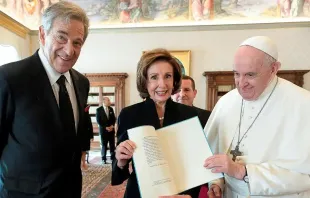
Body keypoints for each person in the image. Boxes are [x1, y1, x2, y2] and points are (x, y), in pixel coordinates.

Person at [0, 1, 90, 197]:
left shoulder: (82, 83)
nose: (69, 50)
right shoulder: (9, 78)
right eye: (61, 37)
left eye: (77, 42)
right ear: (42, 34)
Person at [203, 36, 310, 198]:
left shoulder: (303, 104)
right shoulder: (227, 102)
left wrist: (243, 171)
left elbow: (304, 176)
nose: (241, 83)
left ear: (274, 68)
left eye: (250, 75)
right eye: (236, 74)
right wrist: (217, 183)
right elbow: (212, 152)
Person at [111, 49, 200, 198]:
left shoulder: (190, 115)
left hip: (179, 194)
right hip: (139, 194)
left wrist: (189, 195)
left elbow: (197, 166)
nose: (162, 84)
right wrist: (121, 161)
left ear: (174, 80)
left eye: (168, 76)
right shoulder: (128, 115)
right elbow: (118, 175)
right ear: (145, 82)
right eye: (154, 77)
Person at [96, 96, 116, 164]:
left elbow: (114, 119)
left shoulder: (111, 109)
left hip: (111, 130)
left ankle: (112, 157)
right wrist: (105, 127)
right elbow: (98, 121)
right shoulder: (99, 110)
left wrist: (112, 126)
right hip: (104, 131)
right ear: (104, 101)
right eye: (108, 101)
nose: (110, 102)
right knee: (104, 145)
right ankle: (103, 158)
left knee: (112, 144)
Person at [81, 105, 94, 170]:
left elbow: (90, 125)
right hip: (80, 135)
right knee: (80, 150)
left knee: (84, 150)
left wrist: (91, 136)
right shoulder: (80, 115)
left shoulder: (87, 115)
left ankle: (83, 163)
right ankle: (81, 164)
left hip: (86, 136)